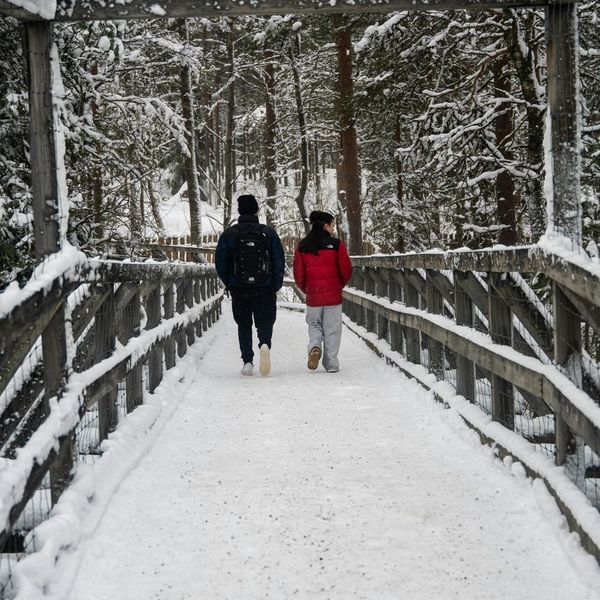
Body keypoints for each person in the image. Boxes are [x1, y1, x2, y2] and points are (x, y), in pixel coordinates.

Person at [215, 194, 285, 376]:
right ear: (256, 210)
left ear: (239, 211)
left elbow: (220, 263)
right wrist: (275, 285)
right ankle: (264, 344)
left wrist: (230, 283)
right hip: (265, 287)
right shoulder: (268, 233)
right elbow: (279, 261)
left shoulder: (230, 234)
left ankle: (247, 361)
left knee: (244, 324)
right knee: (265, 321)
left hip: (240, 288)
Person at [293, 211, 353, 373]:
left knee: (314, 324)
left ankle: (314, 346)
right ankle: (331, 363)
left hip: (313, 295)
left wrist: (307, 289)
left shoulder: (303, 246)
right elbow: (346, 270)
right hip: (333, 296)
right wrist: (339, 285)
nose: (333, 229)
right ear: (325, 225)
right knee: (332, 329)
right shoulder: (336, 244)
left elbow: (298, 274)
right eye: (332, 225)